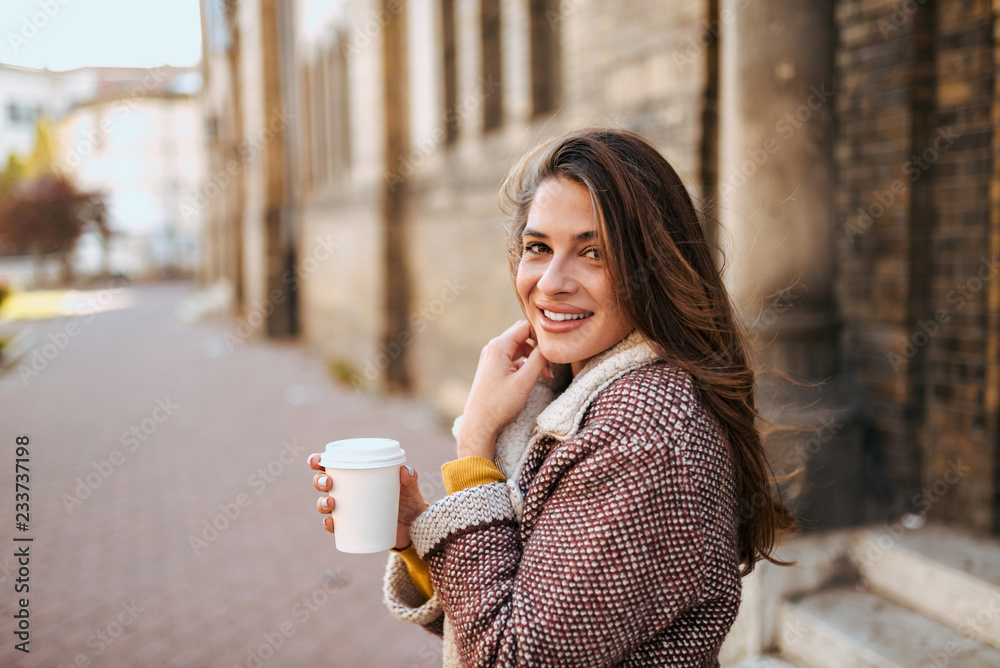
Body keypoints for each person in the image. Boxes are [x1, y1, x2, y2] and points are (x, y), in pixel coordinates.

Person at [308, 128, 795, 666]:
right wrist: (416, 537)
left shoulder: (643, 433)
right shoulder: (573, 399)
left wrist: (474, 446)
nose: (551, 282)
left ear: (653, 269)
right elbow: (501, 614)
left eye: (593, 253)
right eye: (539, 248)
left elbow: (511, 657)